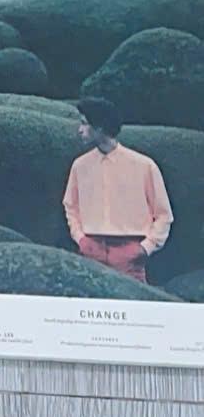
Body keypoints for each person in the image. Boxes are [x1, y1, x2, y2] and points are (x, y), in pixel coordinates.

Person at [63, 97, 173, 284]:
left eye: (84, 123)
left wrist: (145, 247)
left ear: (99, 127)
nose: (79, 130)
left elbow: (164, 214)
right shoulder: (80, 166)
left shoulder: (144, 165)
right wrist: (81, 238)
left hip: (129, 252)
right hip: (92, 250)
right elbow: (70, 206)